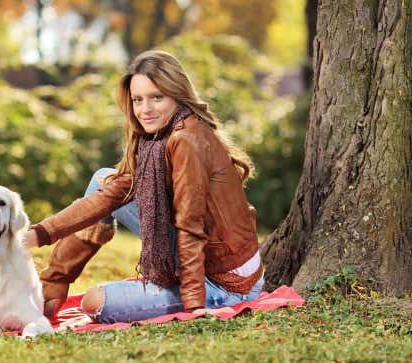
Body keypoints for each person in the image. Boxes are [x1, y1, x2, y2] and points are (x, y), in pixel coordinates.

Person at [22, 50, 264, 323]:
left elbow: (191, 226)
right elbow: (110, 196)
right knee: (104, 179)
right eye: (138, 100)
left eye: (156, 97)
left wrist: (194, 306)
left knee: (94, 302)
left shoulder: (187, 140)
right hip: (208, 258)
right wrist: (35, 236)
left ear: (176, 94)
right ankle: (54, 283)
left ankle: (53, 288)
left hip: (228, 286)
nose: (145, 109)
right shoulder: (159, 138)